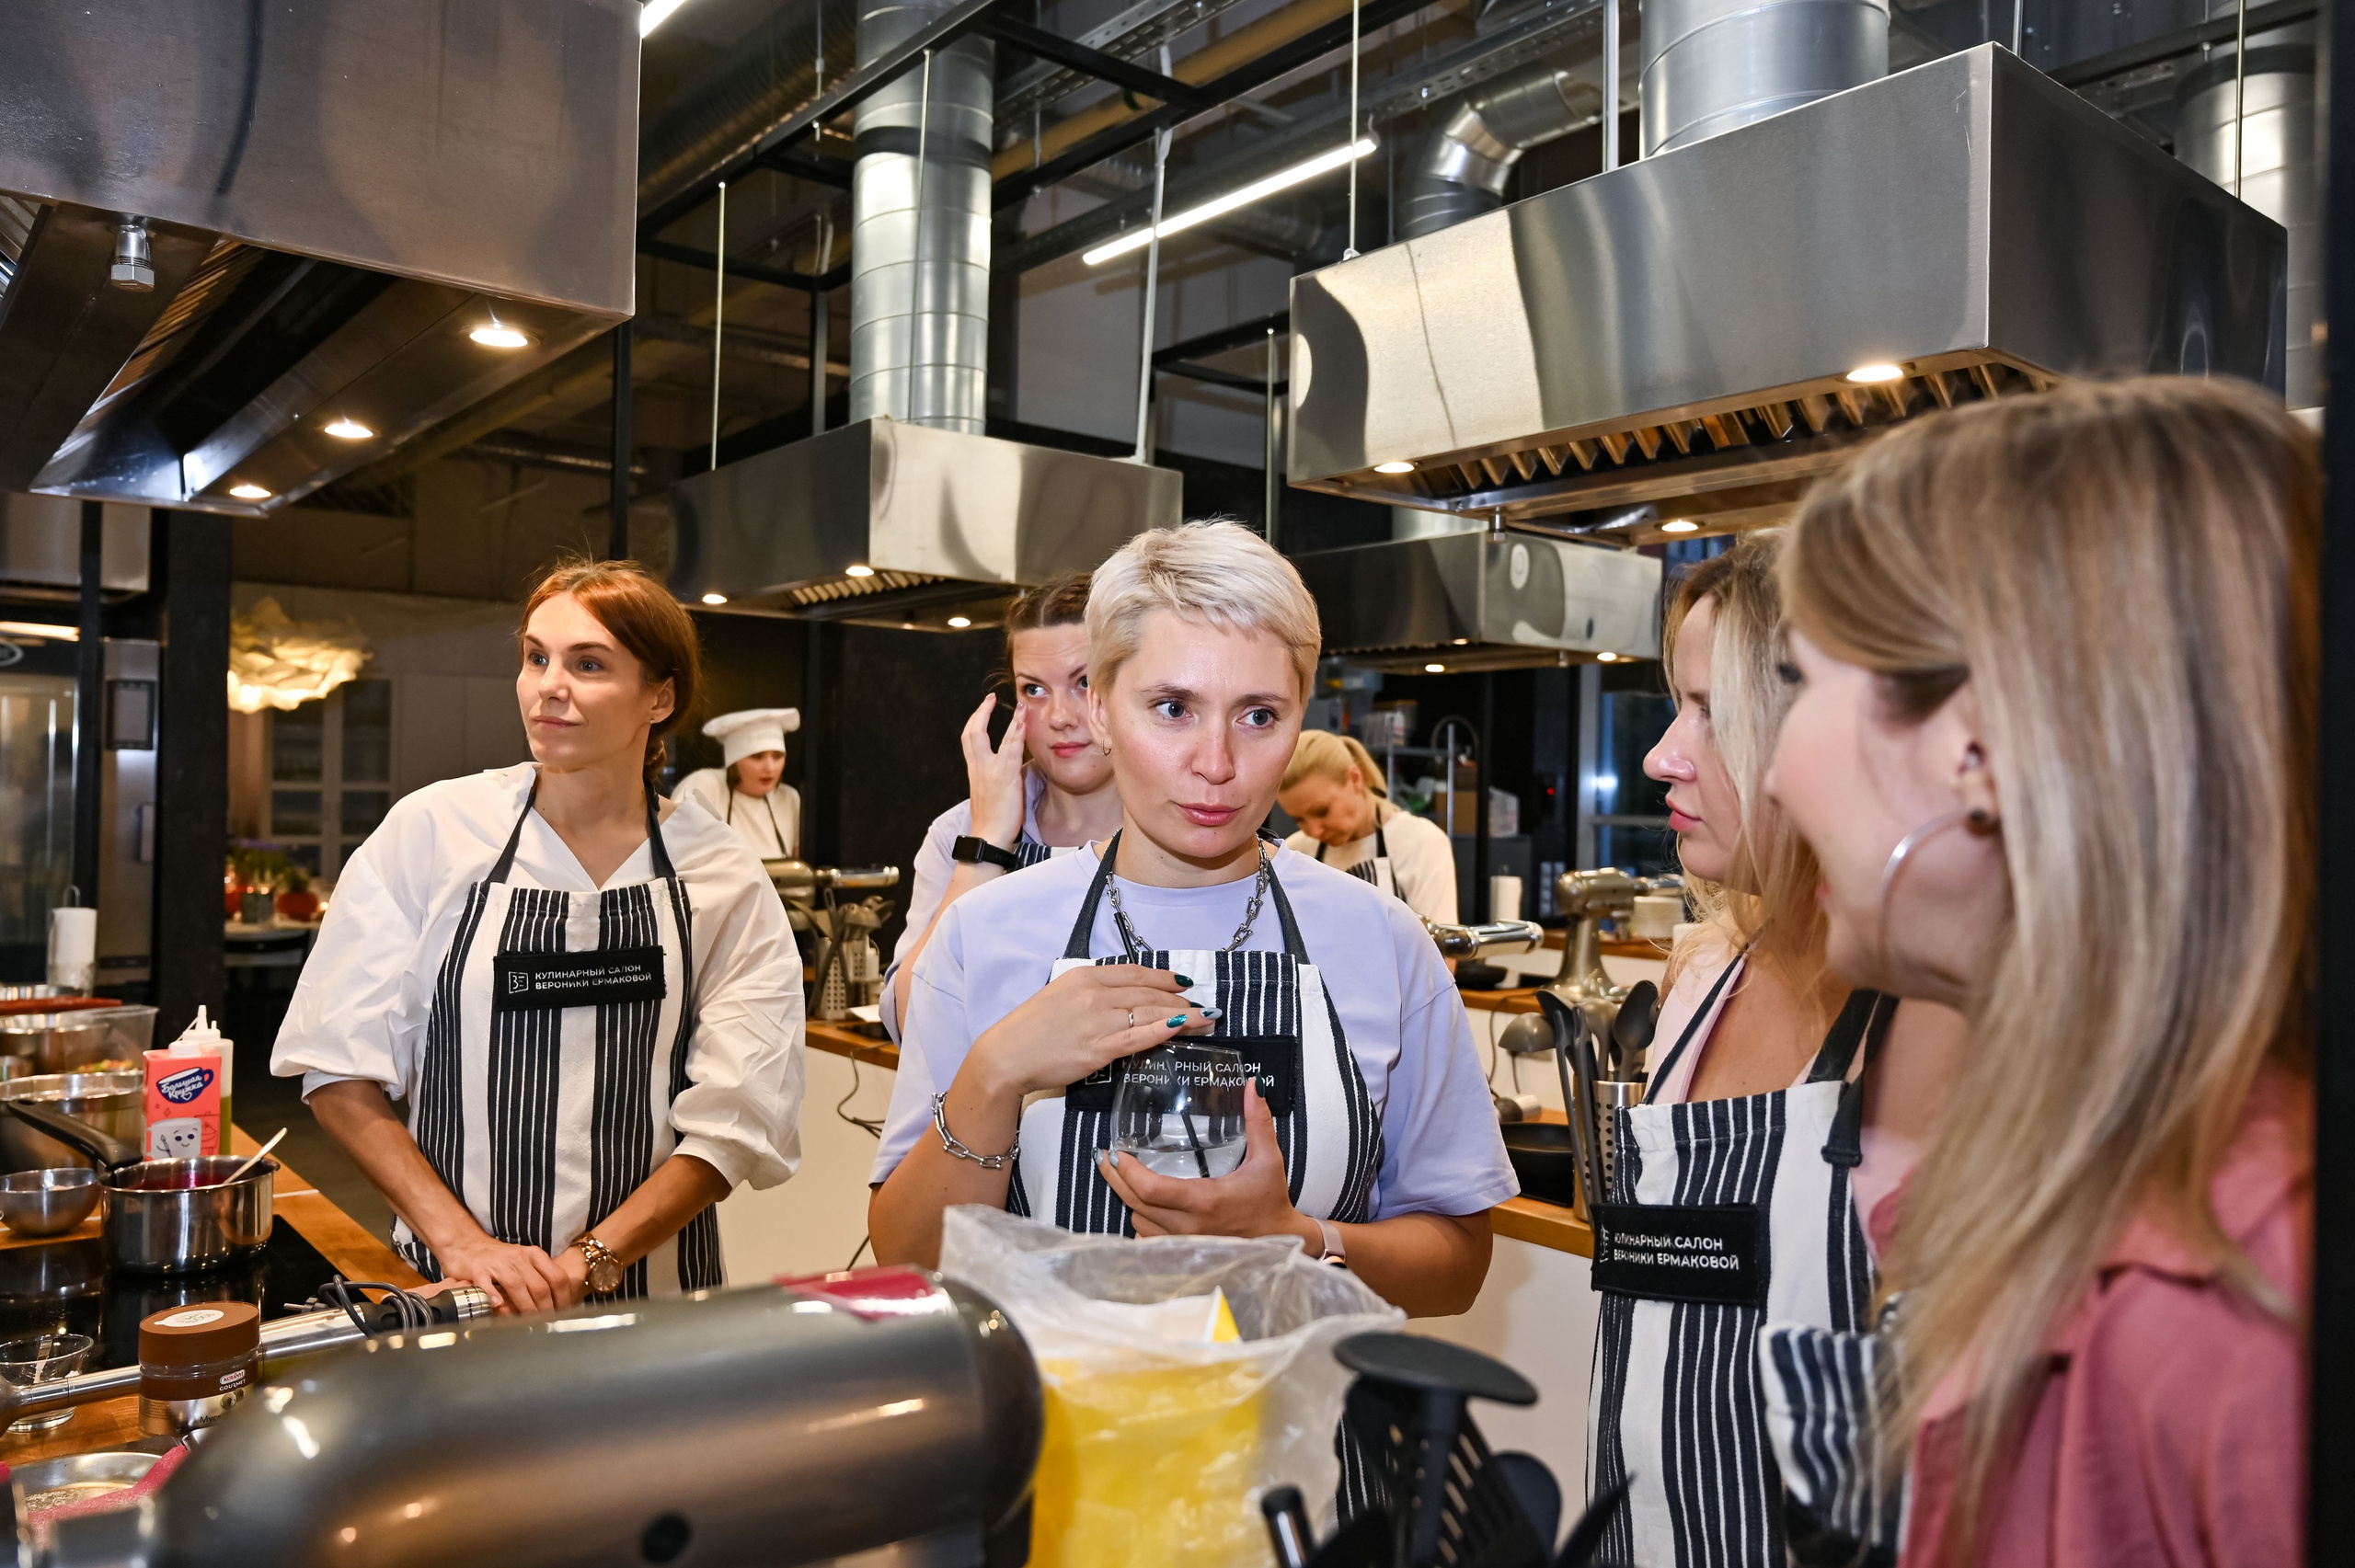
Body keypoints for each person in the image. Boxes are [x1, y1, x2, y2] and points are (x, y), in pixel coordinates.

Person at [1768, 377, 2312, 1565]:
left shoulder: (2241, 1317)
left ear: (1978, 749)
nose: (1771, 775)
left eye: (1801, 678)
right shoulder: (2064, 1188)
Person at [866, 521, 1515, 1321]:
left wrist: (1295, 1236)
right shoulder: (985, 933)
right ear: (1102, 711)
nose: (1216, 764)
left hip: (1306, 1438)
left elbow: (1458, 1266)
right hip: (1055, 1435)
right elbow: (908, 1257)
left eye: (1258, 716)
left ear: (1301, 715)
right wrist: (995, 1073)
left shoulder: (1381, 940)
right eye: (1172, 708)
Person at [273, 558, 806, 1313]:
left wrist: (592, 1258)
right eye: (536, 657)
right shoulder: (434, 832)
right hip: (456, 1293)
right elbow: (336, 1068)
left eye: (588, 664)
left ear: (660, 696)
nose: (548, 685)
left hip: (651, 1299)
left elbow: (737, 1118)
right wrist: (466, 1245)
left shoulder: (720, 873)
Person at [1585, 532, 1963, 1568]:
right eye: (1676, 706)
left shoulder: (1925, 1019)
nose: (1663, 753)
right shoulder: (1701, 977)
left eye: (1711, 713)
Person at [881, 573, 1124, 1041]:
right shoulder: (959, 831)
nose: (1058, 717)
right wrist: (988, 844)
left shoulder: (1178, 835)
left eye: (1084, 682)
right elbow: (911, 1023)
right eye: (1034, 689)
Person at [1277, 730, 1457, 926]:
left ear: (1355, 778)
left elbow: (1440, 951)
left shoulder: (1420, 842)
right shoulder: (1296, 851)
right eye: (1299, 819)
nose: (1314, 831)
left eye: (1322, 811)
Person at [676, 708, 801, 860]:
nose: (770, 767)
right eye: (757, 757)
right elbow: (675, 848)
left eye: (777, 756)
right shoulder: (704, 785)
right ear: (734, 762)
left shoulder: (789, 798)